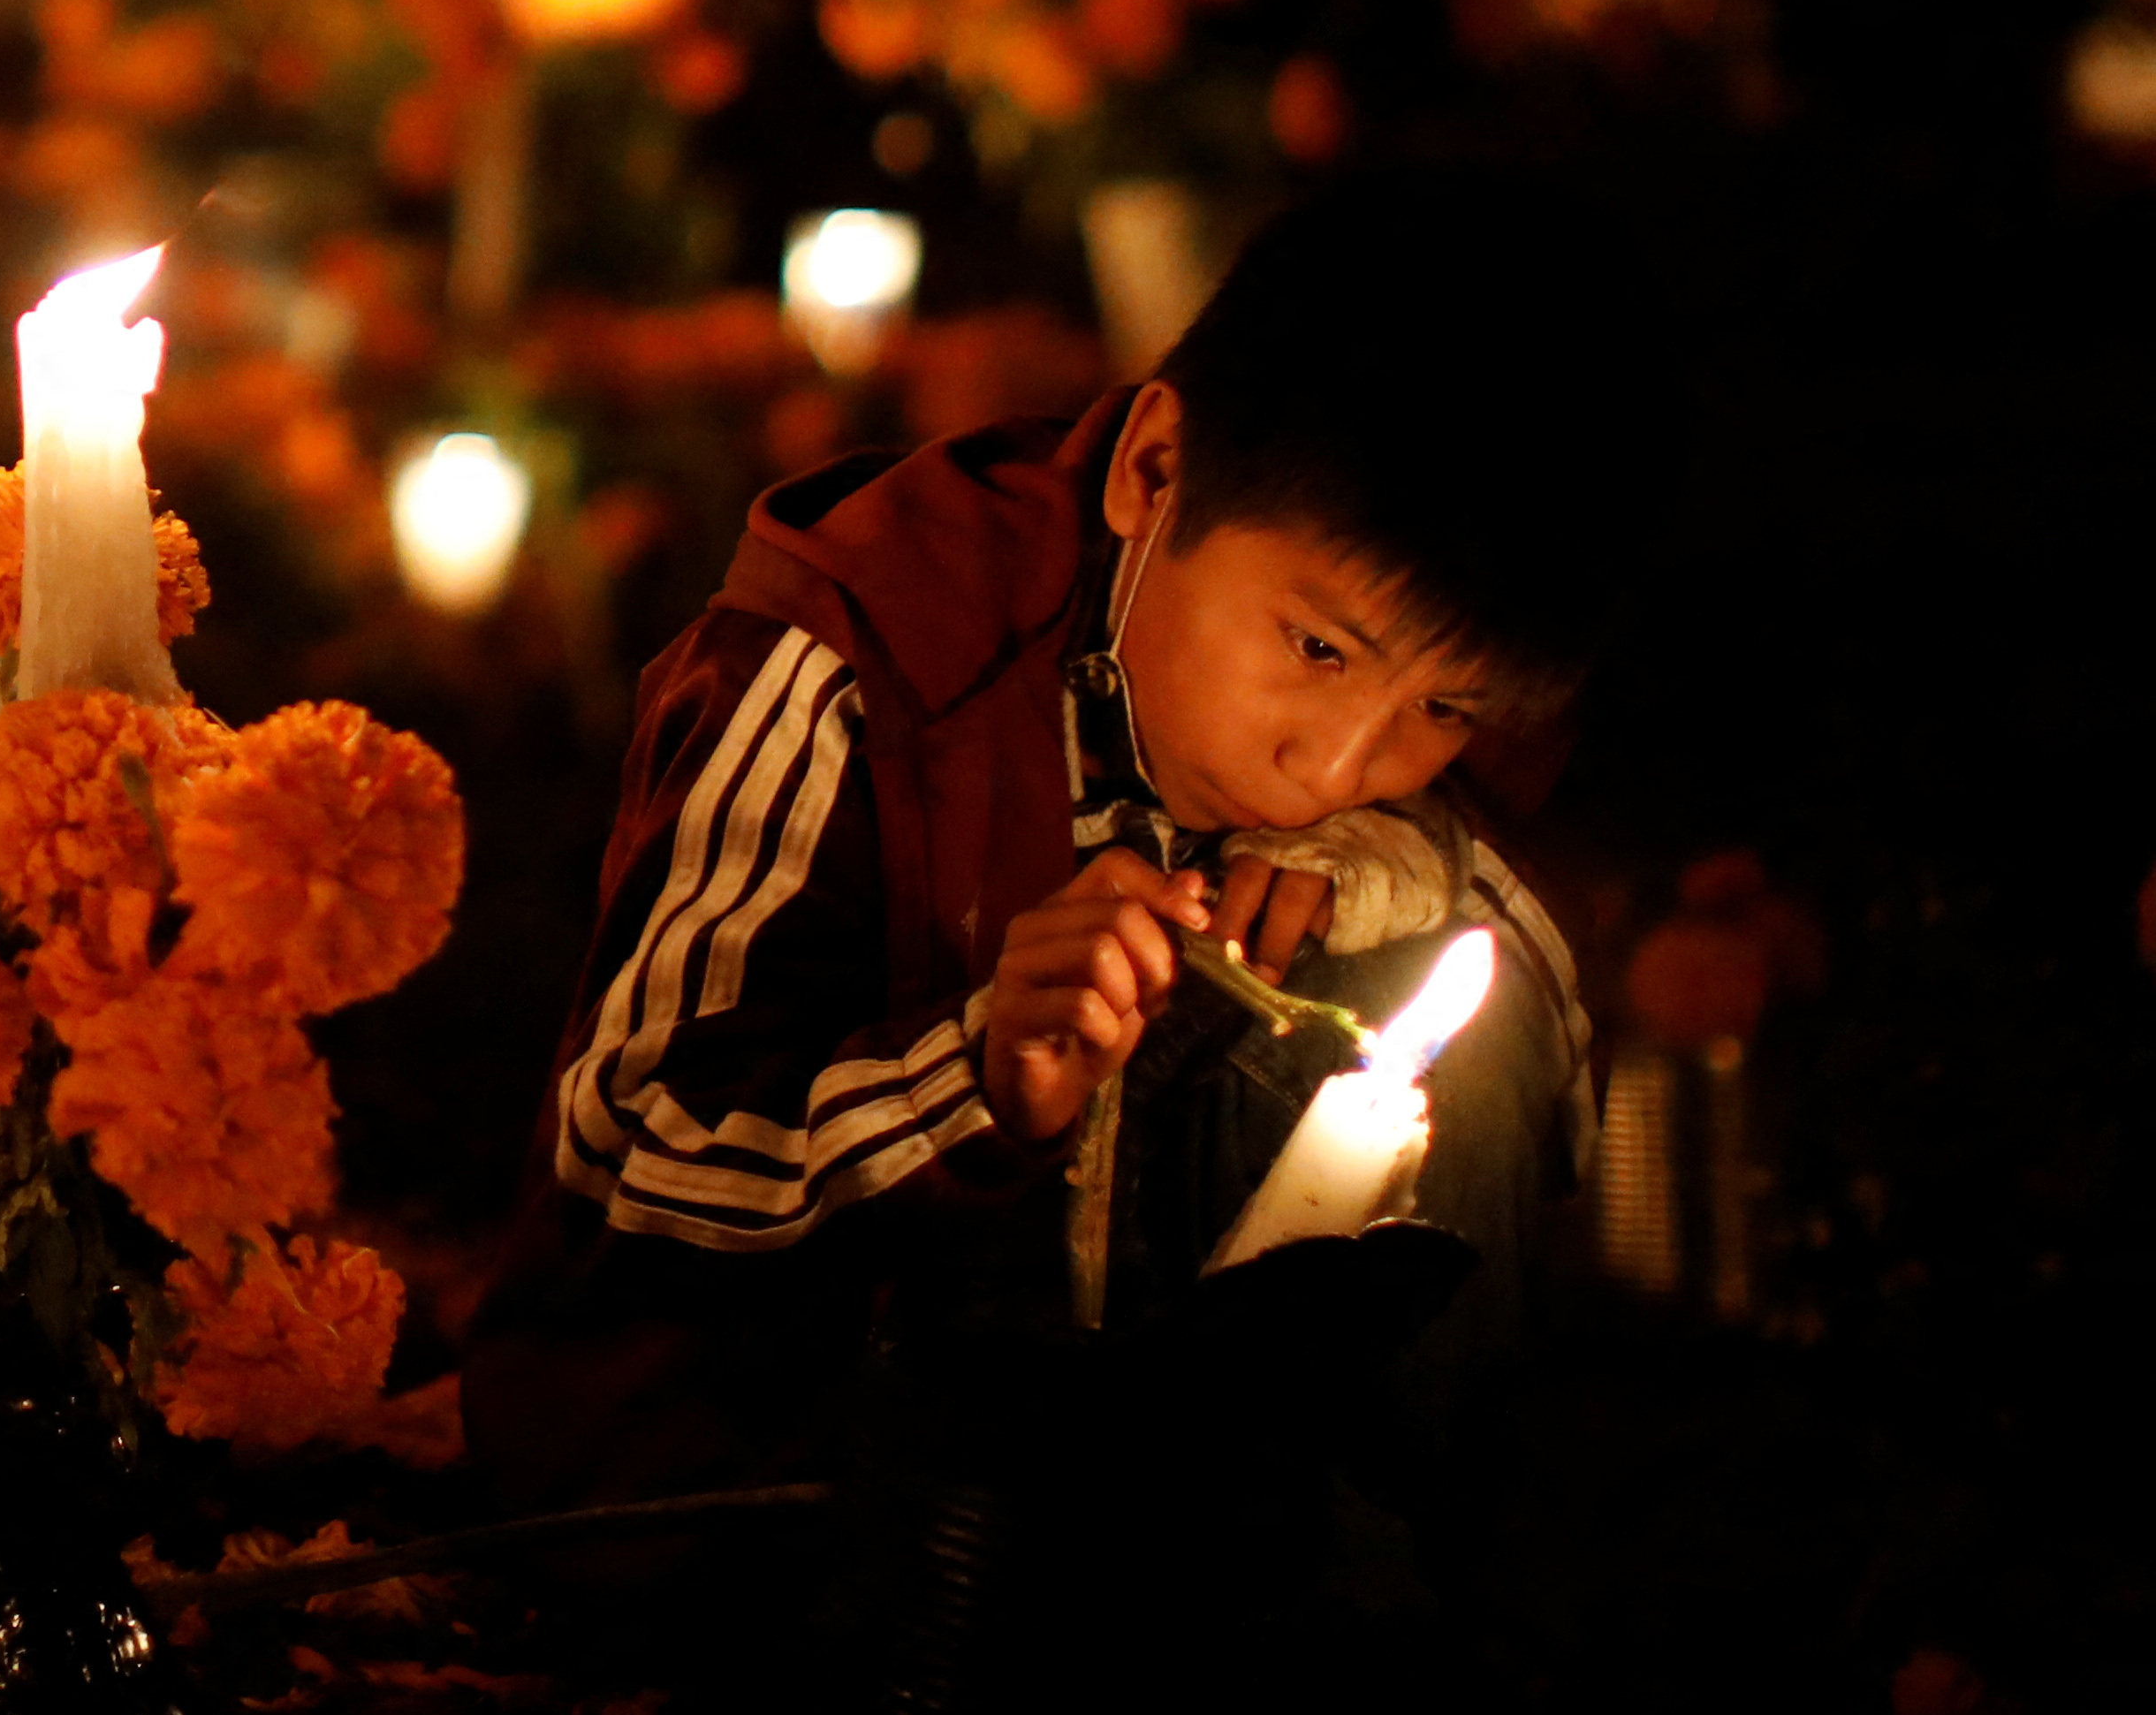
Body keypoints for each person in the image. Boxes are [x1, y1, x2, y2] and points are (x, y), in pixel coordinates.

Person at [473, 164, 1659, 1505]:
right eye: (1317, 647)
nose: (1333, 764)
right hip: (739, 1508)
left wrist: (1403, 870)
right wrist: (973, 1078)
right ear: (1156, 470)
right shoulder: (868, 660)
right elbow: (629, 1146)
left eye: (1441, 708)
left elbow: (1575, 1103)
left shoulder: (1439, 730)